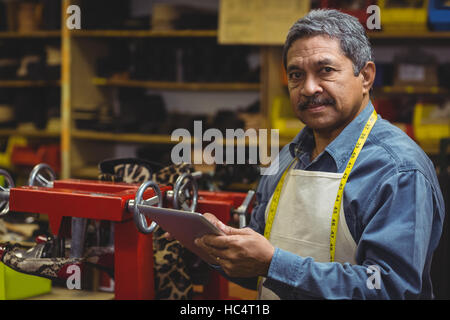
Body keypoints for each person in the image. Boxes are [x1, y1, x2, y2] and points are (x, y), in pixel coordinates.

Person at [193, 9, 446, 299]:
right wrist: (218, 250)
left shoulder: (398, 169)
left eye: (325, 70)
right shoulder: (288, 158)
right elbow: (260, 272)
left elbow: (391, 288)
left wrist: (273, 262)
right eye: (296, 75)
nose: (309, 88)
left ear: (365, 76)